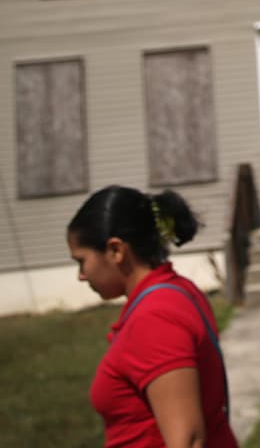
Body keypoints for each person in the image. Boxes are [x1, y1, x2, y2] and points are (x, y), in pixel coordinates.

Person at [67, 185, 238, 448]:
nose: (81, 275)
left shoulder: (155, 317)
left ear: (116, 250)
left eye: (82, 261)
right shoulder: (178, 291)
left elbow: (189, 441)